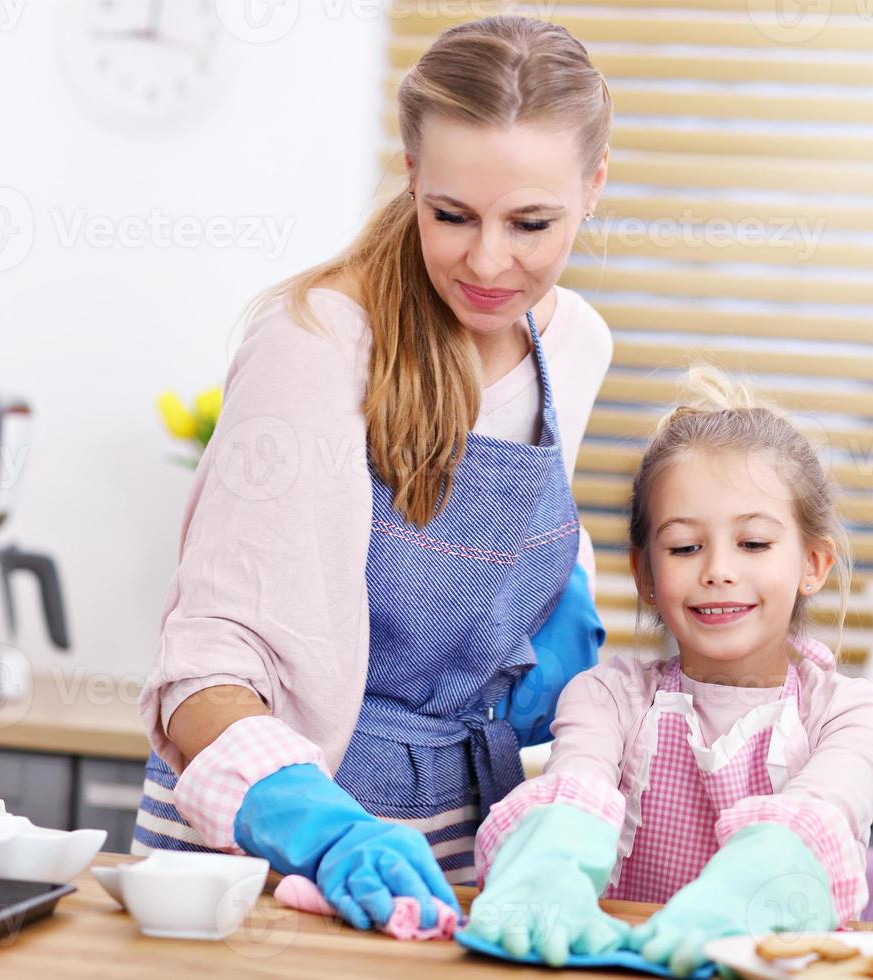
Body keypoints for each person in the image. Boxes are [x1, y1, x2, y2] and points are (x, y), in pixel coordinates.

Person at [130, 14, 615, 940]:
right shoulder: (315, 344)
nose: (486, 261)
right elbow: (203, 671)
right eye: (452, 214)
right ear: (410, 173)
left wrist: (564, 596)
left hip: (456, 839)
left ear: (593, 186)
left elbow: (522, 528)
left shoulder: (578, 344)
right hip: (266, 854)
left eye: (531, 223)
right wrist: (320, 830)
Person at [465, 367, 873, 975]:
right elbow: (577, 794)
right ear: (645, 573)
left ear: (813, 563)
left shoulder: (851, 714)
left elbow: (818, 814)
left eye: (753, 543)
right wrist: (547, 865)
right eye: (684, 547)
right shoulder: (606, 698)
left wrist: (750, 895)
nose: (718, 570)